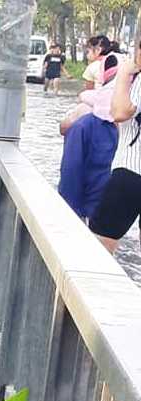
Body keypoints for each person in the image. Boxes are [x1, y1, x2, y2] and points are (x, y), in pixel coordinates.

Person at [89, 40, 141, 253]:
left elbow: (120, 112)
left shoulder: (137, 80)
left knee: (100, 244)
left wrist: (123, 75)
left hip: (132, 171)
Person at [58, 112, 118, 220]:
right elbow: (71, 171)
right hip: (92, 208)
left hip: (114, 207)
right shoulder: (83, 127)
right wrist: (71, 212)